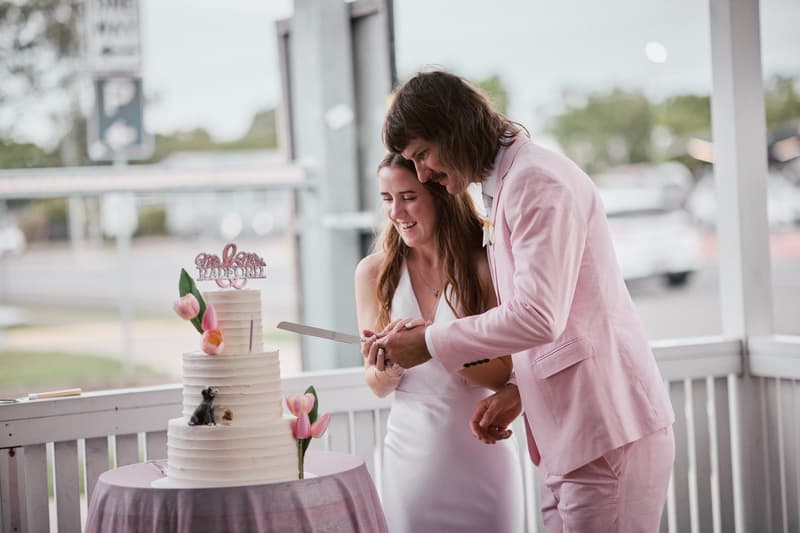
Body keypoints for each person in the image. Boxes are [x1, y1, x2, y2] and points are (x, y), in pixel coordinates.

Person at [374, 69, 676, 532]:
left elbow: (538, 316)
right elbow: (558, 321)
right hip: (569, 438)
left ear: (453, 131)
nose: (423, 173)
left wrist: (431, 341)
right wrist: (521, 392)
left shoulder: (535, 182)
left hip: (604, 432)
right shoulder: (508, 185)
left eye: (423, 155)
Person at [355, 153, 524, 533]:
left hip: (483, 457)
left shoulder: (486, 265)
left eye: (408, 196)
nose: (396, 211)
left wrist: (435, 343)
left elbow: (507, 373)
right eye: (386, 198)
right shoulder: (373, 273)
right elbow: (376, 385)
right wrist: (388, 364)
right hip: (410, 463)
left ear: (441, 195)